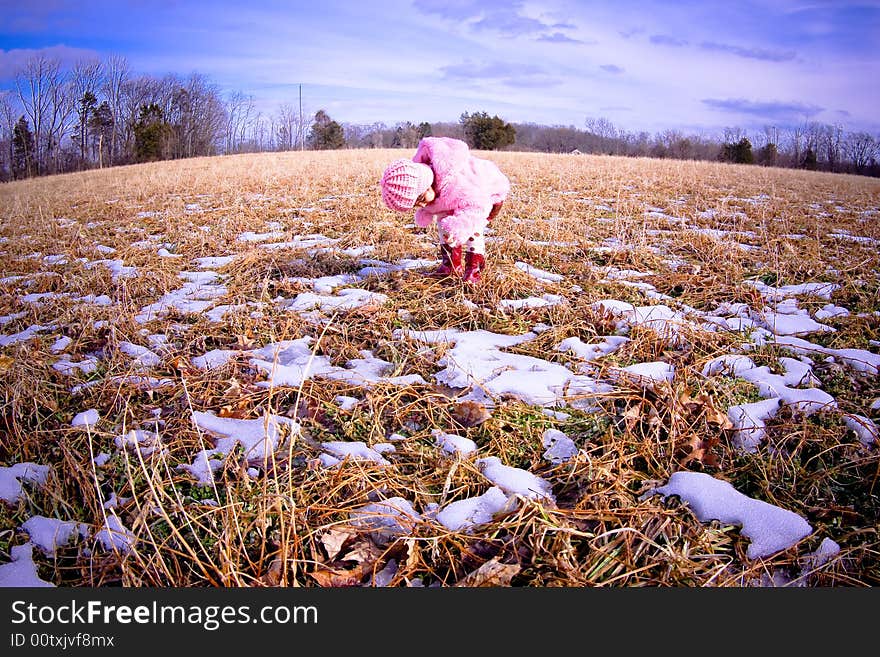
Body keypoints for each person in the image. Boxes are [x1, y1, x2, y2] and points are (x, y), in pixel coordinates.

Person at [380, 136, 510, 285]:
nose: (422, 205)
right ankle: (450, 265)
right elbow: (434, 203)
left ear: (427, 184)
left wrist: (461, 226)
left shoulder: (458, 183)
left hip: (488, 195)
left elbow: (478, 206)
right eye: (416, 205)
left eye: (422, 199)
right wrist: (427, 213)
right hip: (453, 199)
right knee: (444, 223)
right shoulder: (431, 189)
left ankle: (474, 268)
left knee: (473, 230)